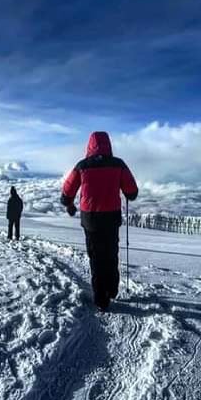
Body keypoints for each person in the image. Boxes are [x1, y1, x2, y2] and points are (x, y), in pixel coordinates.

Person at [61, 131, 138, 310]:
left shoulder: (82, 166)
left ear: (89, 146)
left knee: (96, 257)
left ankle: (101, 299)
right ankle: (112, 289)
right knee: (111, 254)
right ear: (108, 144)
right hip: (111, 217)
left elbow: (67, 191)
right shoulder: (118, 164)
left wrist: (68, 203)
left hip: (91, 219)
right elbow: (132, 192)